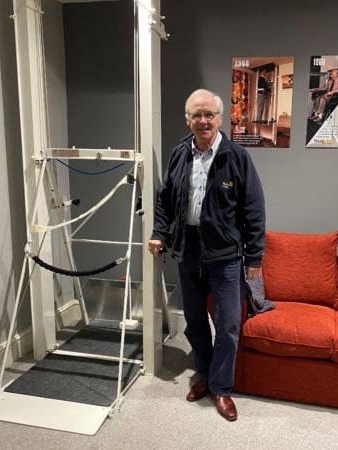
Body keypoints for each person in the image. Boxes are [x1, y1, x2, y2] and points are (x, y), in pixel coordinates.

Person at [148, 88, 266, 421]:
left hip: (226, 255)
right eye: (197, 115)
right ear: (188, 120)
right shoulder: (179, 154)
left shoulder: (237, 156)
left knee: (228, 325)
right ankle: (204, 373)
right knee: (195, 322)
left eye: (209, 114)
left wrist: (254, 257)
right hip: (188, 250)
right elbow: (165, 199)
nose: (203, 121)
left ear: (220, 118)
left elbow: (254, 208)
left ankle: (221, 387)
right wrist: (159, 232)